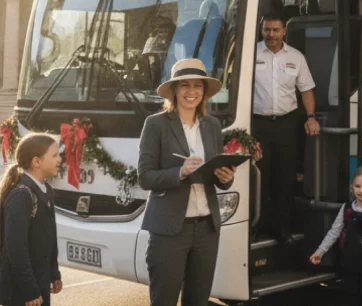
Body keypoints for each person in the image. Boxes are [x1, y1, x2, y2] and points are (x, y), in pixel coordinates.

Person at [138, 58, 237, 306]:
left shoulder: (212, 125)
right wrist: (179, 172)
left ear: (204, 92)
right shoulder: (155, 124)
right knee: (164, 300)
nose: (191, 91)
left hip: (206, 228)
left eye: (197, 85)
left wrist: (226, 178)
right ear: (174, 90)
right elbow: (145, 176)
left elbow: (215, 174)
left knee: (198, 301)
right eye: (184, 85)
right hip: (170, 230)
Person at [252, 13, 321, 244]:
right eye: (266, 30)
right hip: (257, 124)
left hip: (286, 124)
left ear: (284, 32)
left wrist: (310, 116)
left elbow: (306, 90)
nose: (271, 35)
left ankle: (280, 229)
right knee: (259, 177)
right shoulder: (250, 55)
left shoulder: (296, 57)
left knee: (284, 178)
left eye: (275, 30)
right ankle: (255, 227)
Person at [310, 167, 362, 306]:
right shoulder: (347, 208)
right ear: (352, 188)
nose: (361, 190)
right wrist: (320, 251)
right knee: (351, 299)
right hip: (350, 265)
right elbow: (334, 231)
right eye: (357, 186)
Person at [0, 133, 64, 306]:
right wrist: (30, 290)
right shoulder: (21, 195)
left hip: (39, 283)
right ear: (36, 162)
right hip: (21, 293)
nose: (60, 159)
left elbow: (48, 239)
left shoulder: (45, 190)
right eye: (54, 155)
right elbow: (15, 247)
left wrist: (54, 273)